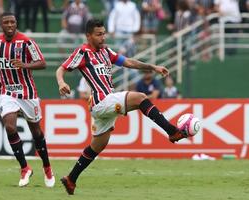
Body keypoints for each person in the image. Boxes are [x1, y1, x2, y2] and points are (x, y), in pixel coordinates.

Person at [56, 18, 191, 195]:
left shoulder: (105, 52)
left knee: (98, 146)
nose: (103, 37)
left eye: (104, 33)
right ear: (88, 36)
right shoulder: (82, 52)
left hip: (104, 106)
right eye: (98, 35)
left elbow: (129, 62)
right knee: (140, 98)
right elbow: (61, 69)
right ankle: (172, 131)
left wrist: (152, 67)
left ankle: (71, 178)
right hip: (101, 101)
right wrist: (61, 82)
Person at [0, 12, 55, 188]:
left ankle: (47, 167)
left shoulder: (26, 42)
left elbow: (42, 63)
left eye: (12, 22)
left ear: (16, 23)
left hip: (28, 93)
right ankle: (25, 168)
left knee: (36, 132)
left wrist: (25, 64)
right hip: (7, 92)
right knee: (9, 126)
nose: (10, 25)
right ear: (1, 25)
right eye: (6, 22)